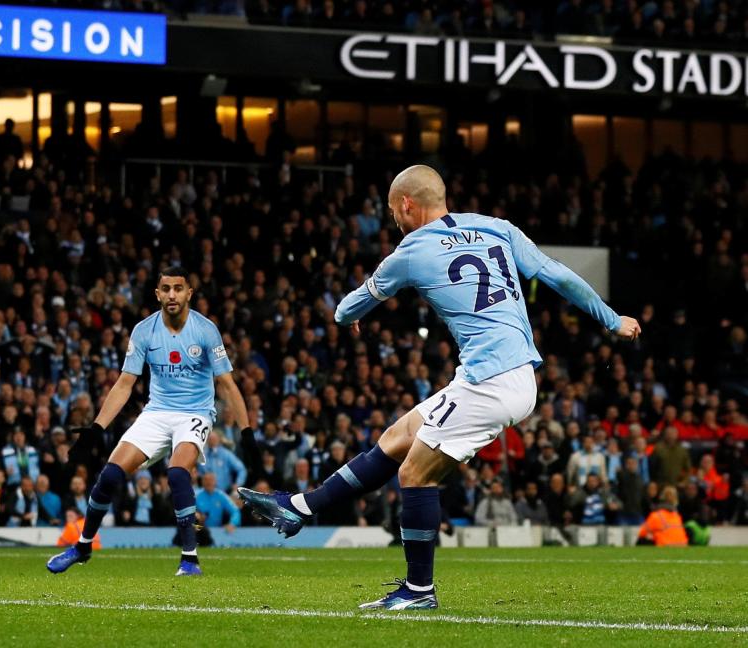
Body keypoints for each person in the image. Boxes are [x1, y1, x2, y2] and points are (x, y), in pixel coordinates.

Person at [241, 165, 640, 610]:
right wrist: (612, 319)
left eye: (394, 211)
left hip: (489, 381)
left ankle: (418, 591)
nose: (395, 220)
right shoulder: (498, 228)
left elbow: (349, 306)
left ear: (407, 205)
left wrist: (346, 318)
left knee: (414, 473)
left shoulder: (411, 250)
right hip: (511, 374)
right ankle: (300, 507)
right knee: (397, 438)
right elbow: (558, 276)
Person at [46, 267, 252, 577]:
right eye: (166, 288)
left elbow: (227, 384)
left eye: (178, 288)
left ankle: (189, 559)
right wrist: (96, 427)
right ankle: (83, 546)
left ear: (189, 293)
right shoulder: (143, 330)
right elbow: (125, 383)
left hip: (195, 413)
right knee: (110, 475)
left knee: (178, 472)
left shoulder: (206, 330)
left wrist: (247, 432)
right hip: (156, 413)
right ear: (157, 294)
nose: (172, 294)